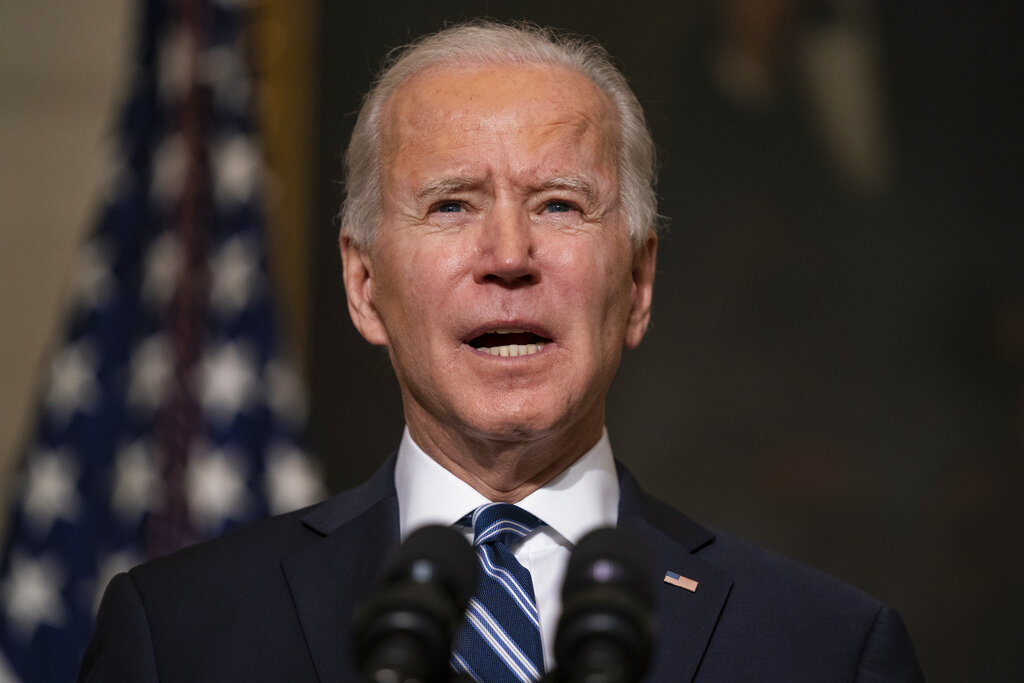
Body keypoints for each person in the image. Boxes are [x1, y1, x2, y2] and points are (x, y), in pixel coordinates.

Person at [79, 20, 923, 682]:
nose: (510, 255)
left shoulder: (826, 648)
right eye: (451, 206)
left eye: (559, 204)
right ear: (365, 285)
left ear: (636, 282)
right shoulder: (181, 633)